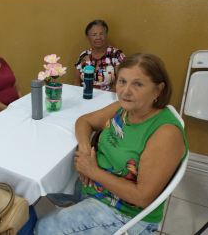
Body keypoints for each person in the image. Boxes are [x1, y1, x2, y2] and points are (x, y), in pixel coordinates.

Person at [35, 53, 188, 235]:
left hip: (125, 213)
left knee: (45, 226)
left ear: (158, 90)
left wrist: (93, 171)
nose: (125, 91)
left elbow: (142, 197)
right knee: (47, 179)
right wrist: (85, 151)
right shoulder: (125, 108)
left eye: (137, 84)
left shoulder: (165, 133)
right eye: (122, 81)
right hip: (99, 185)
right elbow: (84, 121)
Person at [73, 20, 125, 92]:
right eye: (94, 35)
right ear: (88, 37)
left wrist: (105, 98)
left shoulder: (116, 54)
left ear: (106, 35)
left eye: (102, 34)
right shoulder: (84, 56)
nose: (98, 37)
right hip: (85, 95)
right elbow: (76, 81)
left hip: (108, 97)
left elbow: (121, 80)